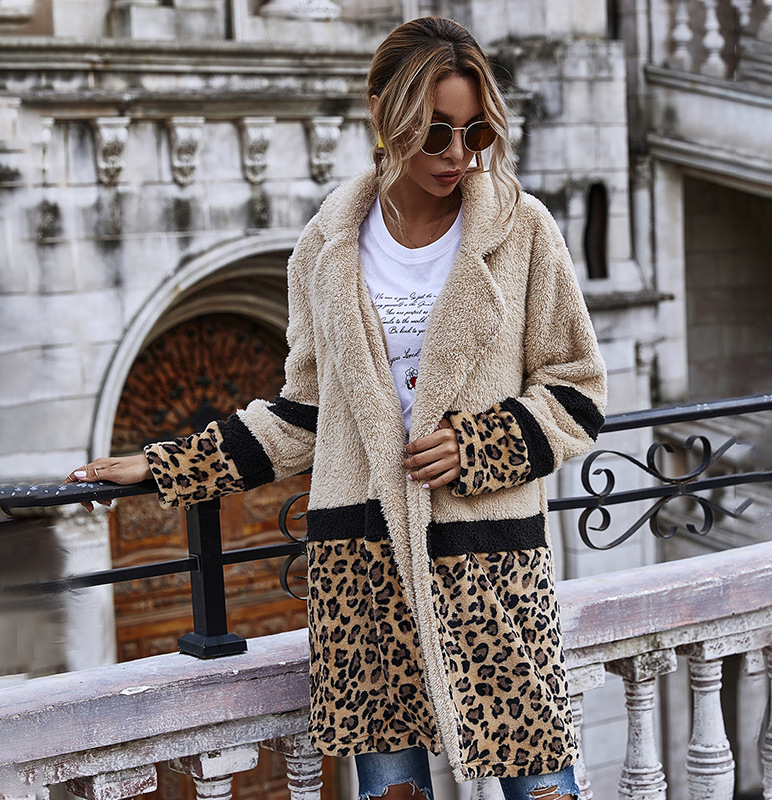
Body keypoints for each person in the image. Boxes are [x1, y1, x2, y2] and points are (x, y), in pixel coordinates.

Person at [67, 17, 605, 800]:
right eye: (436, 132)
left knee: (543, 786)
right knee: (392, 791)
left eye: (477, 132)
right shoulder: (326, 247)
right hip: (362, 569)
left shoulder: (521, 231)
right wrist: (166, 466)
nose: (458, 154)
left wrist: (480, 445)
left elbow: (578, 390)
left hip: (490, 561)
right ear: (383, 112)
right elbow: (305, 416)